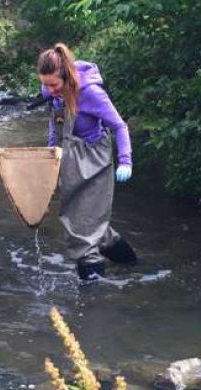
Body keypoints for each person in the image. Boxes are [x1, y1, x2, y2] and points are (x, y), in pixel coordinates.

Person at [37, 43, 137, 281]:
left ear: (67, 76)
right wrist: (51, 155)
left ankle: (91, 295)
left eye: (54, 85)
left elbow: (119, 127)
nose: (49, 90)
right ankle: (133, 266)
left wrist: (125, 161)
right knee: (92, 228)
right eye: (45, 84)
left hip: (95, 163)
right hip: (70, 161)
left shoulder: (91, 93)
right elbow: (55, 126)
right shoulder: (52, 94)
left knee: (82, 233)